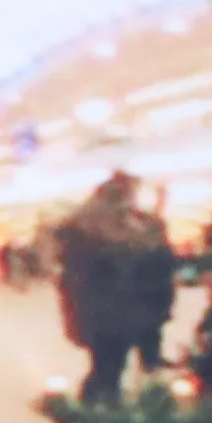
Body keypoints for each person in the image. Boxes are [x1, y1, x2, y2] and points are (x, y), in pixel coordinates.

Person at [56, 168, 175, 402]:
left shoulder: (90, 228)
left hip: (107, 313)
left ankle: (100, 409)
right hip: (113, 312)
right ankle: (100, 412)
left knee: (107, 367)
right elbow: (135, 263)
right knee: (108, 369)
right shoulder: (103, 233)